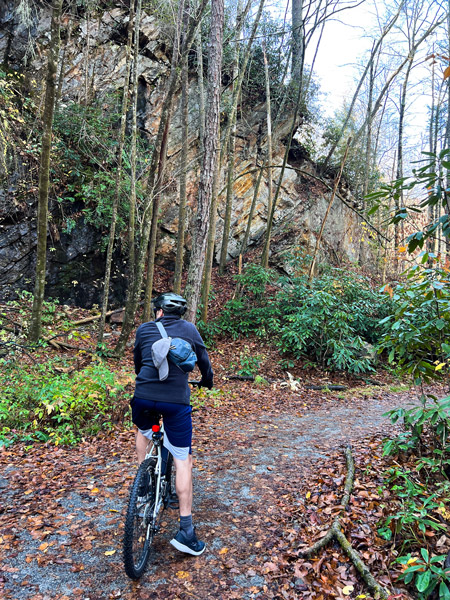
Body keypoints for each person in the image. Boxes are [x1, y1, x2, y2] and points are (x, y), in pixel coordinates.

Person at [131, 292, 213, 556]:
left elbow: (137, 362)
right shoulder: (189, 329)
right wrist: (207, 380)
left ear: (158, 311)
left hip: (143, 397)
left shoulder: (144, 330)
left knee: (143, 430)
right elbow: (204, 361)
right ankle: (186, 533)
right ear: (180, 313)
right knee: (182, 459)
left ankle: (143, 481)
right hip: (176, 403)